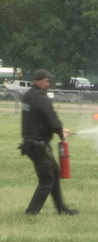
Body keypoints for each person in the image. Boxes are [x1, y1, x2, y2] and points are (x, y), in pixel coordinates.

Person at [19, 69, 79, 215]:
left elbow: (40, 119)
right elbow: (51, 117)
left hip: (31, 143)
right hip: (38, 145)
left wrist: (58, 129)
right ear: (38, 81)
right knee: (47, 180)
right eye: (46, 81)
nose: (49, 83)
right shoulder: (41, 98)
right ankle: (31, 213)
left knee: (54, 172)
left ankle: (61, 209)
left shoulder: (28, 96)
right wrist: (60, 131)